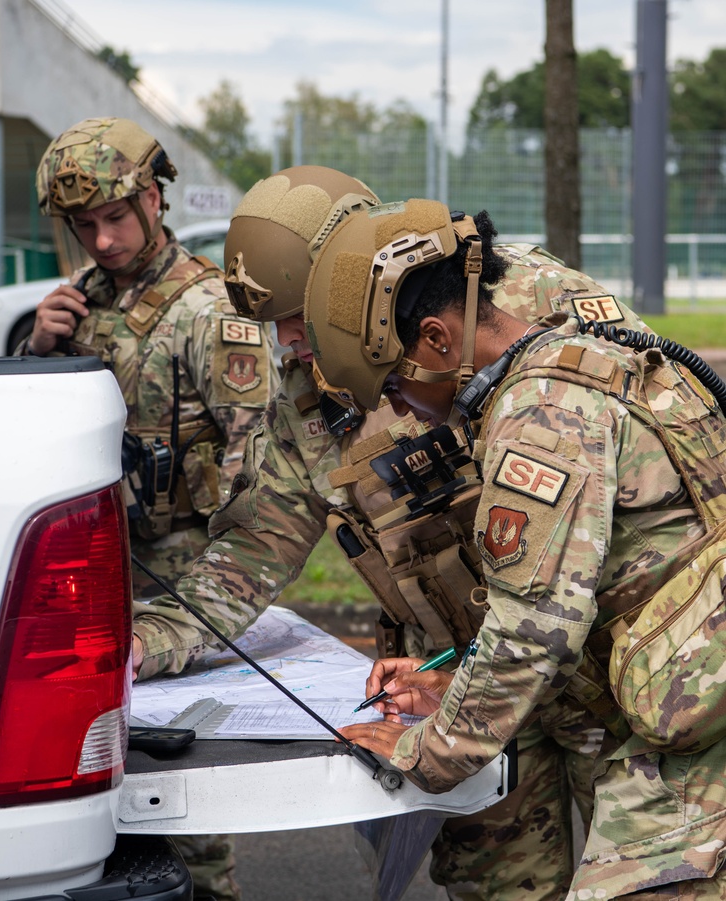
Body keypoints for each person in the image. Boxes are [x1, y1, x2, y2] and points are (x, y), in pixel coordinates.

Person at [132, 167, 658, 900]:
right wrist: (146, 640)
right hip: (459, 680)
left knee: (640, 878)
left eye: (297, 316)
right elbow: (257, 546)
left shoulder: (519, 301)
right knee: (497, 887)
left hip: (605, 666)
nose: (289, 344)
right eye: (274, 325)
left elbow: (665, 456)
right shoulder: (305, 398)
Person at [302, 199, 726, 899]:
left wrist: (429, 750)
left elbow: (535, 632)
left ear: (437, 339)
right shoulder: (584, 351)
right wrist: (451, 681)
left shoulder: (539, 416)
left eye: (395, 388)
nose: (402, 413)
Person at [24, 116, 277, 901]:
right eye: (84, 225)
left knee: (180, 785)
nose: (101, 241)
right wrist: (39, 354)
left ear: (154, 199)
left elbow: (257, 467)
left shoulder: (209, 310)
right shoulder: (80, 306)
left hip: (182, 576)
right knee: (95, 777)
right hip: (97, 570)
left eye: (115, 218)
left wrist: (213, 595)